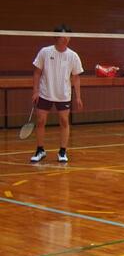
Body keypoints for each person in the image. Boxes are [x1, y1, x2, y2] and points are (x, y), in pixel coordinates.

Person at [30, 25, 84, 163]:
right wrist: (35, 91)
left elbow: (76, 77)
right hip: (45, 92)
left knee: (64, 121)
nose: (66, 38)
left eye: (68, 36)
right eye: (63, 36)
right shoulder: (45, 52)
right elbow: (37, 73)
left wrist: (78, 97)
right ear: (56, 37)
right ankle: (40, 150)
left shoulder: (73, 56)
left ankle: (62, 151)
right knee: (41, 121)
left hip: (63, 94)